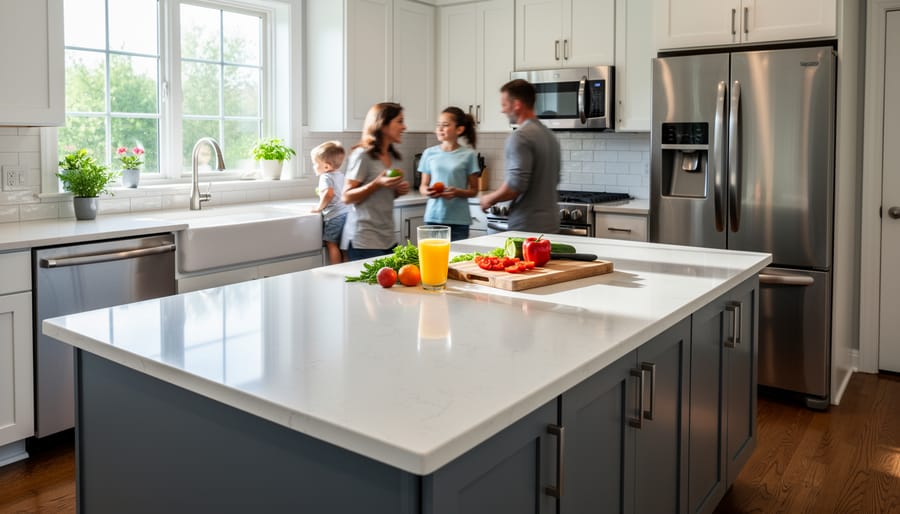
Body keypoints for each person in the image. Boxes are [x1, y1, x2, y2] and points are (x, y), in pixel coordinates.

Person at [480, 79, 561, 234]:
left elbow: (515, 185)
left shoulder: (520, 136)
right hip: (550, 224)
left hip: (527, 226)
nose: (502, 111)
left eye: (504, 105)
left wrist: (489, 199)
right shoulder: (550, 136)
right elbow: (555, 179)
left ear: (516, 104)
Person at [341, 102, 411, 261]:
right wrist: (377, 183)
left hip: (388, 239)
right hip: (365, 241)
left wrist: (396, 191)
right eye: (399, 121)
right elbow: (346, 197)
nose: (404, 126)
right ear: (383, 124)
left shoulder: (392, 157)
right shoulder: (362, 155)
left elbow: (378, 197)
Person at [418, 106, 481, 241]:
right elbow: (423, 186)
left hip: (459, 220)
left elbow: (474, 190)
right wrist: (428, 191)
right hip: (433, 218)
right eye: (438, 125)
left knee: (456, 260)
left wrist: (457, 192)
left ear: (459, 129)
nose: (440, 129)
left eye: (445, 125)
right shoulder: (429, 153)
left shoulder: (468, 155)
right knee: (433, 260)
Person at [310, 141, 349, 265]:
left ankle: (336, 269)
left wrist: (319, 207)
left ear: (326, 167)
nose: (313, 166)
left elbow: (329, 194)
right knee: (344, 246)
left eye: (315, 163)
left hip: (334, 217)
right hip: (347, 214)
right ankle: (347, 268)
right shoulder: (341, 175)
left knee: (332, 244)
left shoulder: (325, 177)